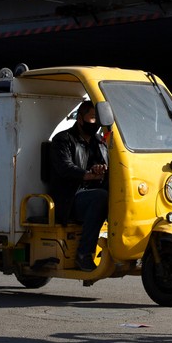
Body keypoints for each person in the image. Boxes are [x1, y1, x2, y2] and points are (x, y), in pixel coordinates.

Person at [48, 99, 109, 271]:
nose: (95, 122)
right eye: (92, 118)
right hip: (70, 198)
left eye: (98, 118)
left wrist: (101, 169)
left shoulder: (100, 141)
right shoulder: (63, 140)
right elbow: (65, 168)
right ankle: (83, 254)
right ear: (80, 119)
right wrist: (88, 174)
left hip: (90, 192)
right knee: (101, 197)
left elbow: (107, 165)